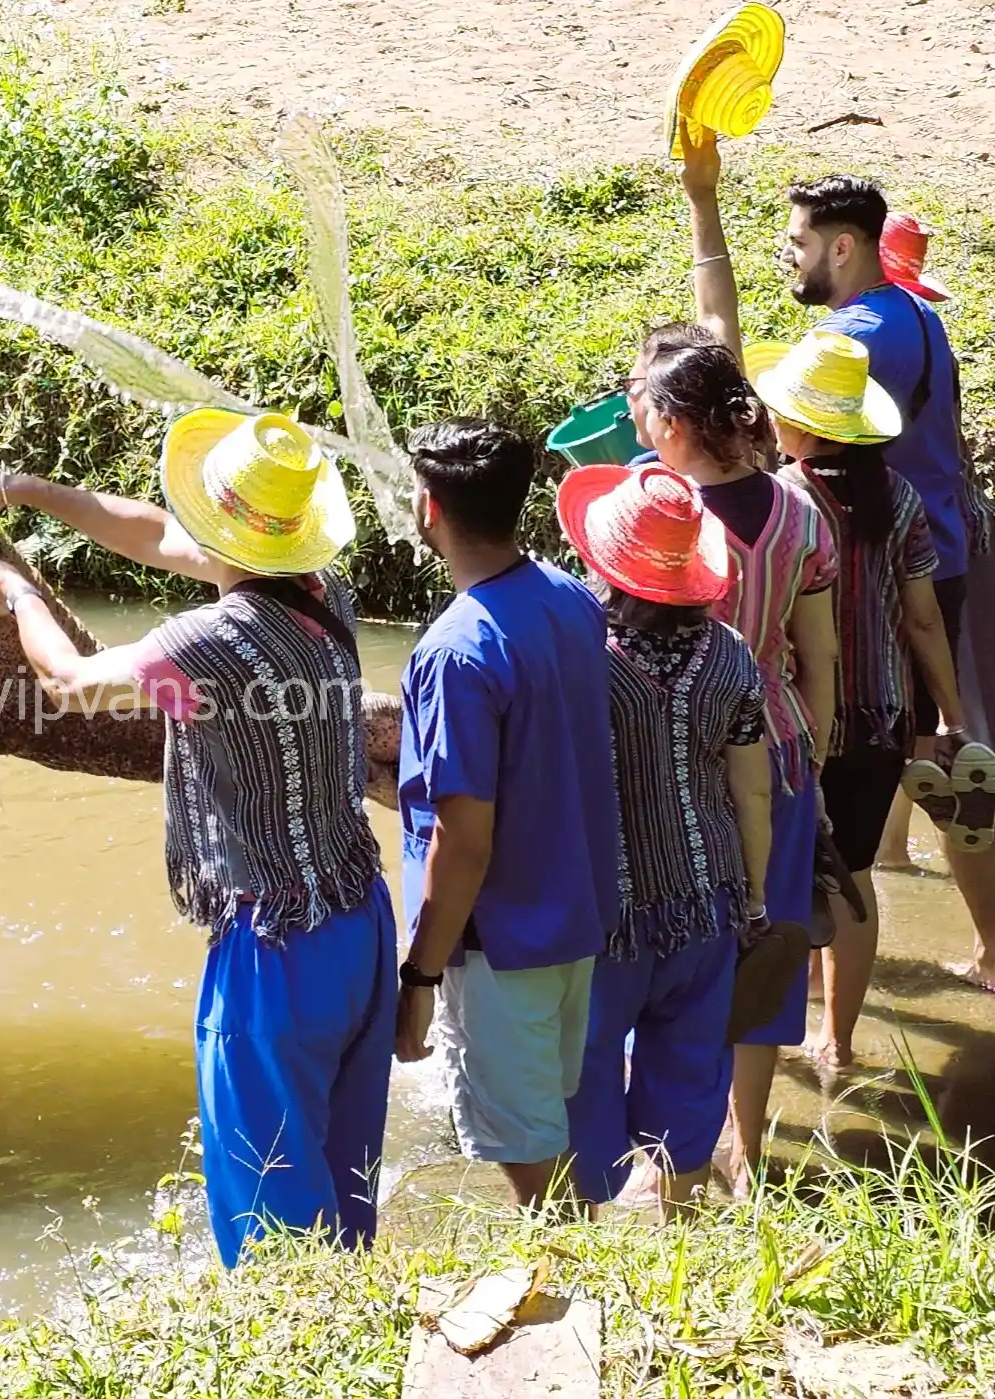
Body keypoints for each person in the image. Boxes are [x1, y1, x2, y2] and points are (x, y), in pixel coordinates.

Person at [0, 408, 394, 1268]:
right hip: (360, 923)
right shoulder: (324, 593)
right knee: (341, 1172)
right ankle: (353, 1327)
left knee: (271, 1211)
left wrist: (18, 594)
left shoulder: (208, 641)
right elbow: (148, 534)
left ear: (218, 528)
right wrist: (16, 491)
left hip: (274, 947)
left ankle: (293, 1347)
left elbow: (69, 684)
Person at [772, 175, 995, 996]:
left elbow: (775, 423)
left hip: (871, 569)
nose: (790, 254)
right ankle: (993, 950)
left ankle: (834, 970)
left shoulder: (848, 340)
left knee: (891, 760)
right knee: (928, 758)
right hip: (937, 551)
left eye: (799, 241)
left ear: (841, 247)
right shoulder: (919, 314)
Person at [656, 126, 840, 1191]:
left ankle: (672, 1160)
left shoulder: (659, 514)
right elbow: (815, 657)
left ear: (671, 430)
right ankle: (748, 1149)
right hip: (775, 748)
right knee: (765, 948)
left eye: (645, 406)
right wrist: (804, 752)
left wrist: (702, 201)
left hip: (677, 758)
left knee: (678, 944)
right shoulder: (793, 508)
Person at [393, 418, 620, 1207]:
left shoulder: (455, 651)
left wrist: (419, 972)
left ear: (429, 507)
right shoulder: (569, 598)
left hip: (500, 948)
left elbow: (462, 839)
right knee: (549, 1131)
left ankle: (578, 1306)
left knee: (531, 1166)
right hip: (575, 922)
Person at [748, 329, 985, 1062]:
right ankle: (838, 1040)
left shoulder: (782, 500)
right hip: (881, 718)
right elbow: (921, 618)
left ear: (804, 425)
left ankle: (766, 1033)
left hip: (798, 721)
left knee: (784, 871)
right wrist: (951, 714)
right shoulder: (901, 496)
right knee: (852, 869)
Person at [556, 464, 772, 1219]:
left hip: (603, 909)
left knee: (582, 1069)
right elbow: (751, 790)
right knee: (688, 1063)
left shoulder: (579, 656)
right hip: (706, 900)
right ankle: (679, 1221)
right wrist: (752, 895)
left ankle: (579, 1228)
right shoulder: (730, 655)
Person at [870, 213, 995, 883]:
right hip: (920, 540)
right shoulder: (909, 328)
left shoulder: (904, 335)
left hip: (954, 540)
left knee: (981, 691)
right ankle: (886, 844)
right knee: (902, 697)